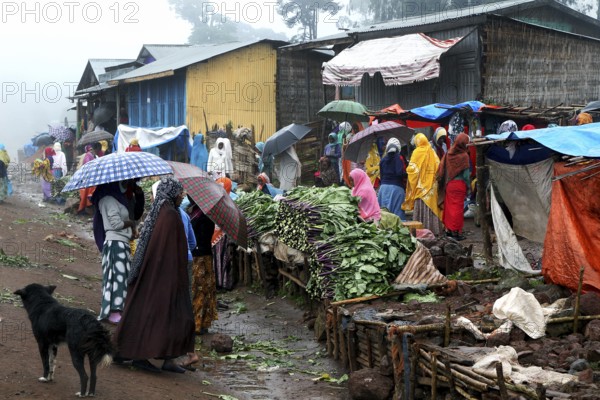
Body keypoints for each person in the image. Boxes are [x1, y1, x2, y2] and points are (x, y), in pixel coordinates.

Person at [114, 177, 194, 374]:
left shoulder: (165, 212)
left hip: (159, 274)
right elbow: (167, 250)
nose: (182, 195)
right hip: (162, 276)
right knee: (157, 314)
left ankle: (166, 358)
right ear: (172, 193)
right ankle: (139, 356)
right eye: (179, 192)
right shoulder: (168, 215)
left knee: (166, 315)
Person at [91, 182, 137, 324]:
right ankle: (114, 311)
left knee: (120, 277)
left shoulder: (113, 199)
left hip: (120, 243)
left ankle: (116, 309)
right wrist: (131, 224)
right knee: (117, 277)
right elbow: (116, 224)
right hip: (115, 244)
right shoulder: (109, 200)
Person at [403, 133, 444, 235]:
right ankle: (434, 231)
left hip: (420, 188)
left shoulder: (416, 152)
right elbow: (439, 168)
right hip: (432, 188)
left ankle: (421, 231)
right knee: (432, 208)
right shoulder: (432, 152)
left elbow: (412, 171)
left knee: (422, 208)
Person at [188, 195, 216, 335]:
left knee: (200, 290)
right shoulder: (195, 212)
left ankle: (199, 324)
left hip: (201, 257)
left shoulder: (205, 216)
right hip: (199, 255)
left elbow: (202, 238)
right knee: (198, 289)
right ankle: (198, 323)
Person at [437, 133, 471, 240]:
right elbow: (466, 176)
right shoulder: (464, 156)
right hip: (459, 185)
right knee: (458, 209)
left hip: (449, 184)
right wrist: (469, 187)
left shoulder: (449, 154)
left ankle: (449, 231)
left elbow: (442, 169)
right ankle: (457, 233)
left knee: (450, 208)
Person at [212, 177, 236, 291]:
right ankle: (223, 283)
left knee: (217, 258)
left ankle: (216, 282)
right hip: (222, 234)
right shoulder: (228, 202)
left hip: (214, 234)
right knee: (222, 258)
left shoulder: (212, 200)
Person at [377, 138, 407, 220]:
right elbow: (399, 173)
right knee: (398, 217)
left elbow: (381, 176)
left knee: (384, 215)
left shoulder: (382, 160)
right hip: (396, 189)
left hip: (383, 189)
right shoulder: (399, 158)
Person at [77, 144, 99, 214]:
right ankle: (84, 209)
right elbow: (87, 165)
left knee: (89, 193)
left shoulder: (93, 156)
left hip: (91, 177)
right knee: (86, 194)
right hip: (88, 177)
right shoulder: (88, 155)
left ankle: (87, 207)